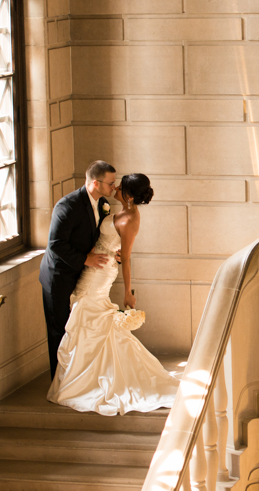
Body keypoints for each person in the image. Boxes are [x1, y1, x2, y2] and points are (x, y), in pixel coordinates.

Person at [47, 174, 178, 415]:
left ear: (128, 196)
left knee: (87, 310)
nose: (115, 187)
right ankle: (90, 373)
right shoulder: (119, 210)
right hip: (95, 264)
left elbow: (126, 258)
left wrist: (128, 292)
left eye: (120, 186)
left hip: (100, 273)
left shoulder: (130, 218)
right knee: (89, 316)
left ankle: (87, 380)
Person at [40, 161, 119, 379]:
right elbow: (56, 244)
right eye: (111, 183)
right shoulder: (67, 206)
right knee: (61, 329)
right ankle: (59, 382)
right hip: (59, 276)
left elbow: (99, 238)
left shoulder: (102, 203)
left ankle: (79, 377)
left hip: (83, 274)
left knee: (79, 327)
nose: (114, 187)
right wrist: (86, 259)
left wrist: (113, 253)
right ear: (95, 182)